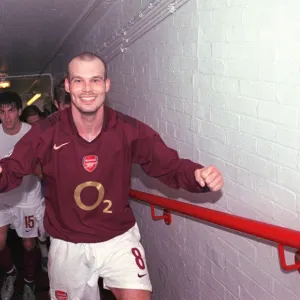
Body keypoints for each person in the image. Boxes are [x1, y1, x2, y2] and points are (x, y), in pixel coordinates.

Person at [0, 52, 224, 300]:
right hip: (68, 243)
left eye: (95, 80)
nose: (87, 89)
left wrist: (197, 176)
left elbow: (168, 165)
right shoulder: (45, 132)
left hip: (118, 237)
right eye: (78, 81)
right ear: (67, 85)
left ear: (106, 84)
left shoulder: (128, 130)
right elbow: (12, 169)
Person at [0, 91, 46, 300]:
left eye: (10, 111)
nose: (6, 116)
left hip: (28, 197)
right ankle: (10, 274)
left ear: (19, 111)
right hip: (3, 199)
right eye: (1, 112)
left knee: (29, 245)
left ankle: (29, 282)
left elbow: (45, 165)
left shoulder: (32, 133)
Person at [21, 105, 49, 273]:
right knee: (41, 228)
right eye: (31, 124)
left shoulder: (52, 133)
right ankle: (44, 252)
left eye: (38, 122)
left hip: (54, 186)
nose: (36, 127)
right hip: (35, 189)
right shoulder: (25, 142)